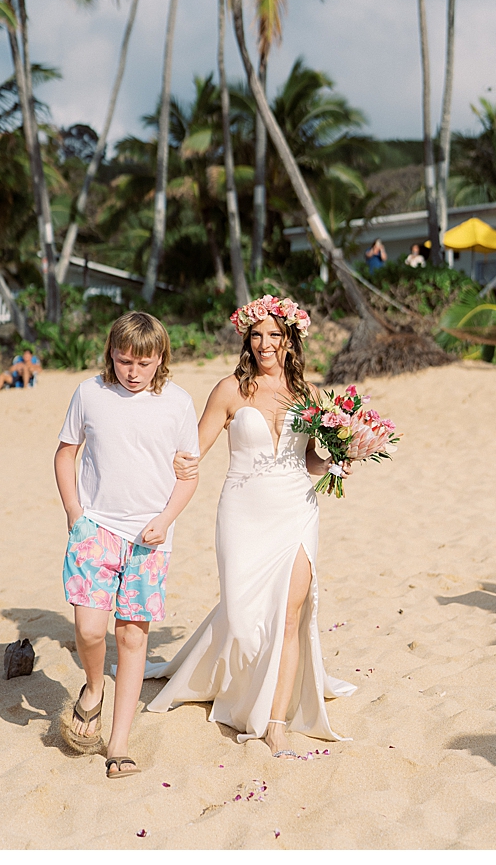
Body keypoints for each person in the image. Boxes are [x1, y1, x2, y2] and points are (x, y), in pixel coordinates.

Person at [149, 296, 354, 758]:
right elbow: (191, 455)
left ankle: (276, 721)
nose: (265, 344)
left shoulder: (310, 395)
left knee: (289, 617)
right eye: (257, 335)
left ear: (290, 340)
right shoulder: (228, 391)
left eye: (274, 335)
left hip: (296, 509)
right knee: (242, 622)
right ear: (247, 338)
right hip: (242, 513)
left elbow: (313, 463)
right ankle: (230, 685)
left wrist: (341, 455)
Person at [53, 312, 198, 778]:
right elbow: (65, 452)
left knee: (132, 636)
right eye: (123, 361)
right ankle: (94, 687)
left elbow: (188, 476)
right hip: (95, 529)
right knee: (92, 630)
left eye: (144, 362)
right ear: (110, 355)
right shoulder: (90, 393)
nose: (133, 372)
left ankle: (118, 744)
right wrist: (75, 512)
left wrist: (166, 519)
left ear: (161, 358)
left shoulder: (178, 403)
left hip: (149, 538)